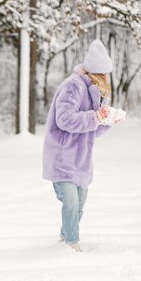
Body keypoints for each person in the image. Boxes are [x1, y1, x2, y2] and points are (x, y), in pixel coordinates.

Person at [42, 39, 121, 252]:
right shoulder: (73, 86)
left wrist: (108, 119)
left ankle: (64, 236)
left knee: (80, 203)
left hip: (81, 159)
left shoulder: (96, 91)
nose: (106, 80)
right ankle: (71, 243)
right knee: (70, 201)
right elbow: (65, 119)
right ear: (96, 73)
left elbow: (93, 129)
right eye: (104, 75)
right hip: (61, 156)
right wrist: (96, 116)